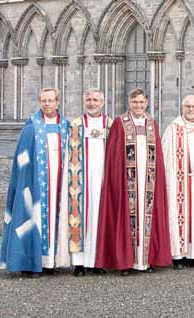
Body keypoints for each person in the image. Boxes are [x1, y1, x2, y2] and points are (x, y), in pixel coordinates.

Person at [95, 88, 171, 275]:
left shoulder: (152, 124)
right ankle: (126, 262)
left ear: (146, 103)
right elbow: (113, 156)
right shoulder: (120, 124)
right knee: (127, 218)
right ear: (129, 103)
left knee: (148, 218)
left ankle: (146, 260)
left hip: (148, 182)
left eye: (142, 102)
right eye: (135, 102)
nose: (138, 106)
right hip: (127, 181)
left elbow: (158, 158)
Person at [0, 88, 70, 277]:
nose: (47, 104)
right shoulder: (31, 127)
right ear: (40, 102)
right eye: (43, 101)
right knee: (33, 216)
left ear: (58, 102)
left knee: (56, 217)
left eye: (50, 100)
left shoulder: (66, 126)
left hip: (59, 183)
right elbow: (22, 158)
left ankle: (50, 262)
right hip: (35, 183)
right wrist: (24, 180)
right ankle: (29, 262)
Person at [59, 88, 112, 277]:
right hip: (79, 179)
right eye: (89, 99)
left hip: (103, 180)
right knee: (79, 217)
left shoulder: (111, 125)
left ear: (102, 102)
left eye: (95, 99)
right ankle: (79, 263)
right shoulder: (75, 124)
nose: (92, 103)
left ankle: (99, 261)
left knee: (100, 218)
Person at [162, 95, 194, 269]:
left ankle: (193, 254)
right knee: (178, 216)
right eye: (188, 106)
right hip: (179, 181)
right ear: (182, 107)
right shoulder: (173, 129)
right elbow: (165, 156)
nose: (191, 110)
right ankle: (178, 255)